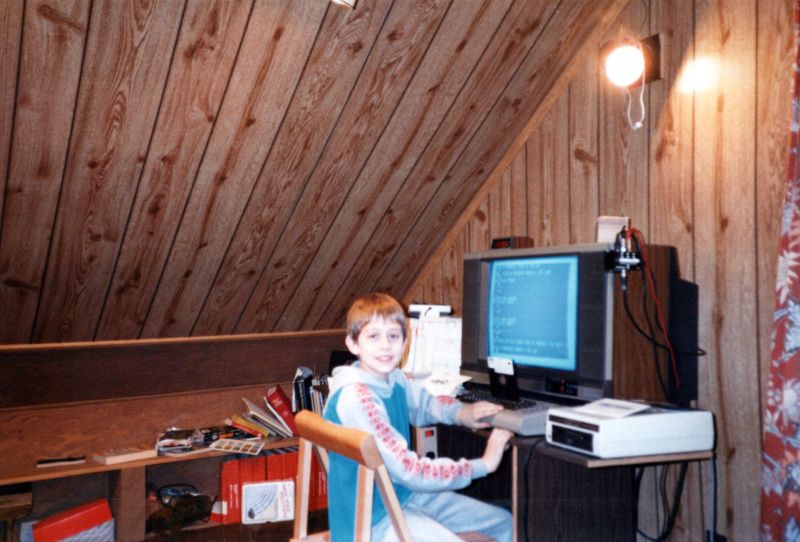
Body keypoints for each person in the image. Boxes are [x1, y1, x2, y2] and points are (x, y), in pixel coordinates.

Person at [323, 292, 514, 542]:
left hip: (405, 495)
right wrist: (484, 465)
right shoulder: (357, 398)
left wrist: (462, 413)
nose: (385, 346)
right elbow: (410, 470)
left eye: (393, 336)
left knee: (502, 524)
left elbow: (426, 405)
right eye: (373, 336)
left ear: (405, 342)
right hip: (372, 520)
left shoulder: (394, 379)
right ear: (353, 344)